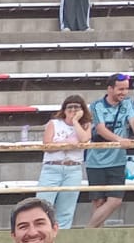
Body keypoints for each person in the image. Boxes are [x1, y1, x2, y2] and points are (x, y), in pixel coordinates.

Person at [88, 74, 134, 229]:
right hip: (96, 161)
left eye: (126, 89)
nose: (124, 92)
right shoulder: (96, 105)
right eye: (121, 89)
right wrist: (119, 140)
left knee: (115, 199)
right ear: (110, 88)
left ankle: (88, 230)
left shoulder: (127, 104)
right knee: (98, 202)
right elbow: (100, 128)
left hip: (117, 160)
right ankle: (95, 234)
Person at [35, 96, 93, 229]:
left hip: (73, 169)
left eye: (77, 107)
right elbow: (47, 146)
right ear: (64, 109)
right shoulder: (54, 124)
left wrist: (76, 122)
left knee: (66, 210)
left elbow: (84, 139)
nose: (73, 110)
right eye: (70, 107)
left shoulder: (86, 125)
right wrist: (67, 144)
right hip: (52, 168)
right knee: (43, 206)